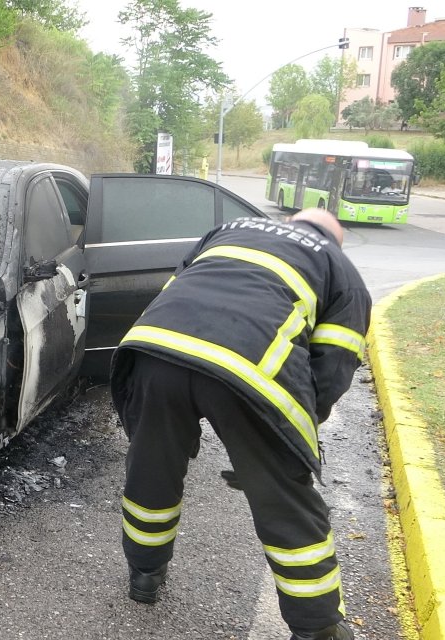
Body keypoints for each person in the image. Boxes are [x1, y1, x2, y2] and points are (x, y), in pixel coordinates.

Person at [110, 209, 371, 640]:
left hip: (157, 352)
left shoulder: (230, 229)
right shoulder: (339, 267)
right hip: (250, 372)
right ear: (334, 239)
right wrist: (285, 441)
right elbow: (332, 369)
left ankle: (144, 574)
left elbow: (178, 288)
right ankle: (318, 627)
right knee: (284, 502)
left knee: (151, 469)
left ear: (292, 222)